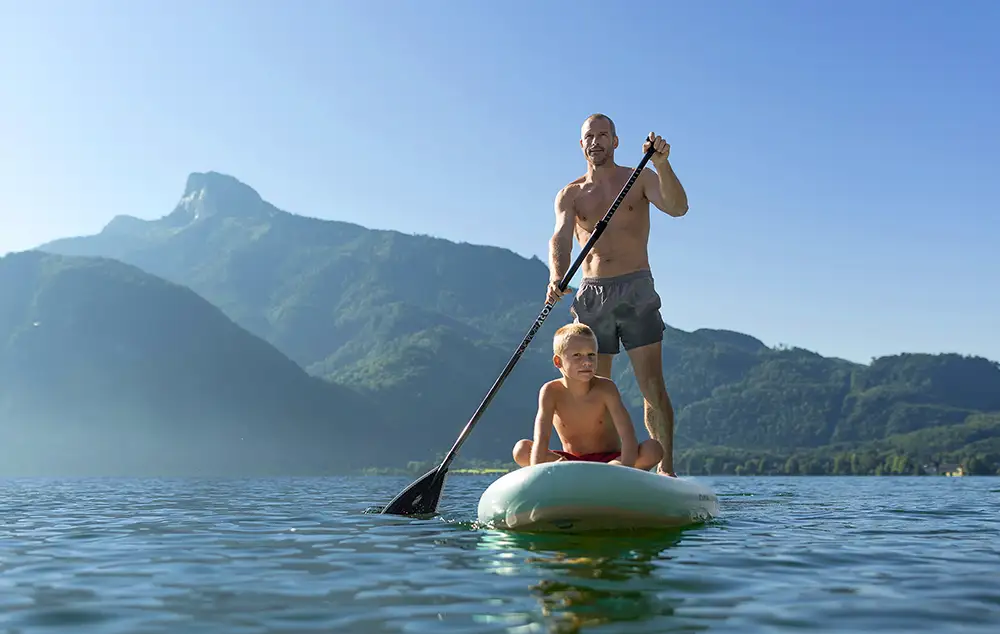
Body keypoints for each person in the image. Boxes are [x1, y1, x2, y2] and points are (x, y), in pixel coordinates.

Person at [544, 113, 689, 476]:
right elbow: (560, 236)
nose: (596, 141)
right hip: (592, 295)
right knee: (592, 389)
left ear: (615, 140)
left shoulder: (638, 177)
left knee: (652, 385)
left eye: (603, 135)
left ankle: (666, 471)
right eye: (589, 136)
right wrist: (557, 275)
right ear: (581, 145)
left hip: (636, 288)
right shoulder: (571, 194)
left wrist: (662, 164)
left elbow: (677, 207)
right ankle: (605, 468)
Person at [511, 323, 664, 470]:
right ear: (558, 361)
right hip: (569, 462)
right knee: (522, 450)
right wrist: (538, 472)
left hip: (610, 461)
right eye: (577, 355)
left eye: (591, 355)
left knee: (653, 448)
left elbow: (628, 437)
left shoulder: (606, 388)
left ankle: (612, 474)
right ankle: (566, 470)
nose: (587, 362)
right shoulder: (550, 391)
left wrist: (623, 467)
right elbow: (541, 439)